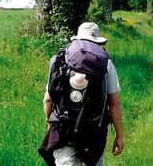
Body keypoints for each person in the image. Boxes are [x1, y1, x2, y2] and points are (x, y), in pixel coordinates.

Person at [40, 22, 123, 166]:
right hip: (95, 131)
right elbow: (114, 102)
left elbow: (48, 100)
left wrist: (50, 121)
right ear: (98, 41)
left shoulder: (58, 60)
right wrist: (119, 136)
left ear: (77, 38)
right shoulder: (106, 64)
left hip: (63, 129)